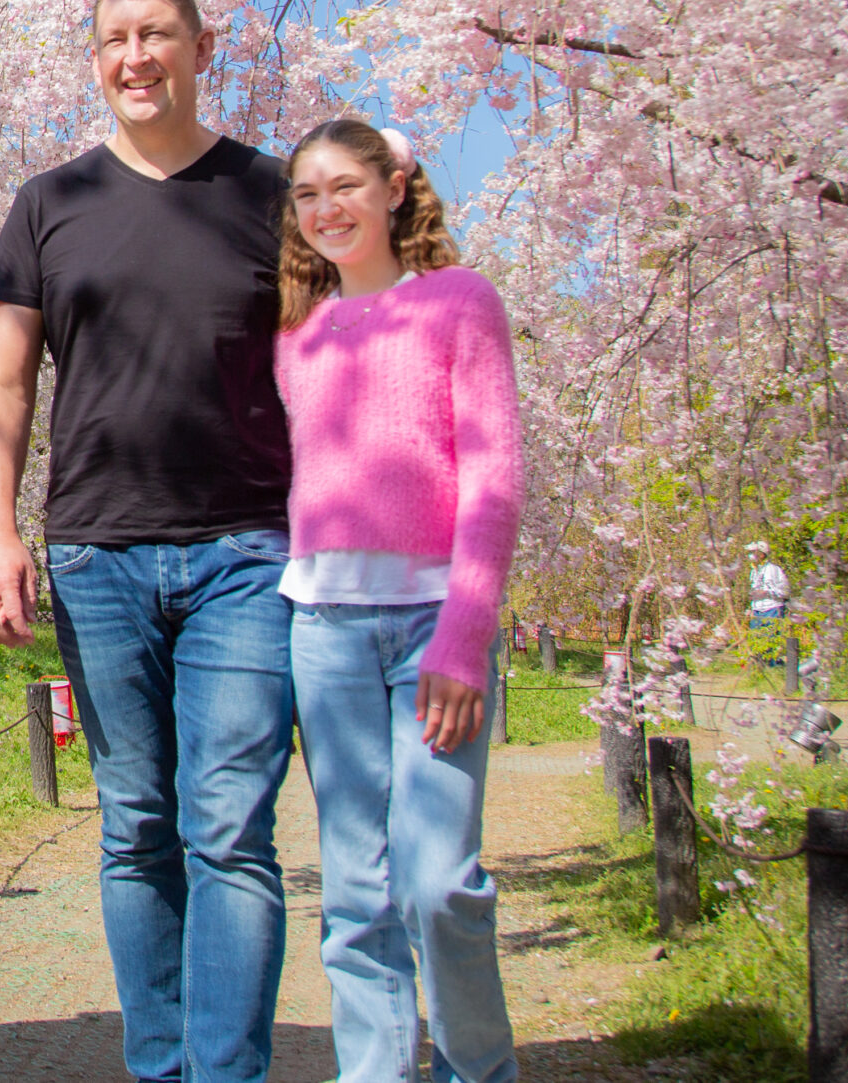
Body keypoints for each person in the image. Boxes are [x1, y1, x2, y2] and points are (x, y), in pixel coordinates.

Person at [0, 0, 298, 1083]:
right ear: (96, 58)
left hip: (249, 550)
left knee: (230, 834)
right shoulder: (49, 204)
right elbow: (3, 387)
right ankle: (161, 1066)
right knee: (136, 827)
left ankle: (226, 1072)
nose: (135, 56)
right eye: (114, 38)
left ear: (204, 49)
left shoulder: (273, 194)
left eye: (157, 34)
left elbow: (329, 373)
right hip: (97, 555)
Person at [273, 117, 521, 1083]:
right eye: (307, 194)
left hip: (433, 629)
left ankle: (477, 1070)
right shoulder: (300, 334)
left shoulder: (460, 303)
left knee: (439, 881)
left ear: (395, 187)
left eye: (345, 186)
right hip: (324, 629)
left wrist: (464, 636)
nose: (327, 208)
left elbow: (494, 476)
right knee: (356, 890)